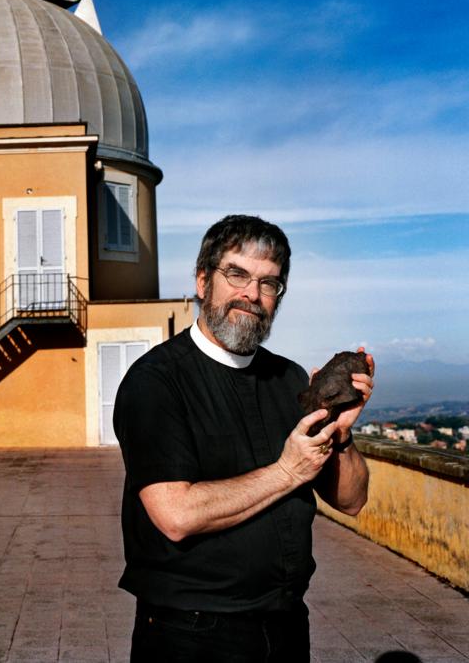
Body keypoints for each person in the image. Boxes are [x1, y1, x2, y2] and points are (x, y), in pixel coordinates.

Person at [113, 214, 373, 663]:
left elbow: (351, 500)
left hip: (286, 627)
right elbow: (175, 514)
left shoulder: (289, 378)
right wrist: (288, 471)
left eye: (269, 283)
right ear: (202, 281)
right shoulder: (156, 381)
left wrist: (342, 436)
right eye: (237, 274)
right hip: (191, 634)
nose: (252, 295)